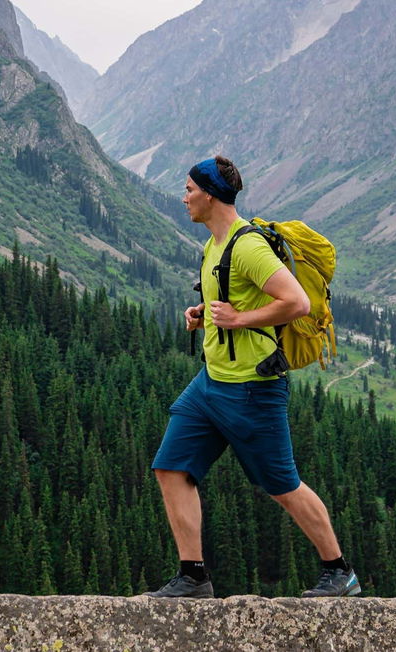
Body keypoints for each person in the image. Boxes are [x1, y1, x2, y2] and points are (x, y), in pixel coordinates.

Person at [144, 155, 359, 599]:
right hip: (210, 384)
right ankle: (193, 577)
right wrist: (204, 316)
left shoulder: (247, 246)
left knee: (282, 485)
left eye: (188, 189)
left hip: (252, 390)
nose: (183, 197)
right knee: (171, 468)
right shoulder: (213, 246)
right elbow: (230, 300)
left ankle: (340, 572)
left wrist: (239, 319)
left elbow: (296, 302)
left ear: (209, 194)